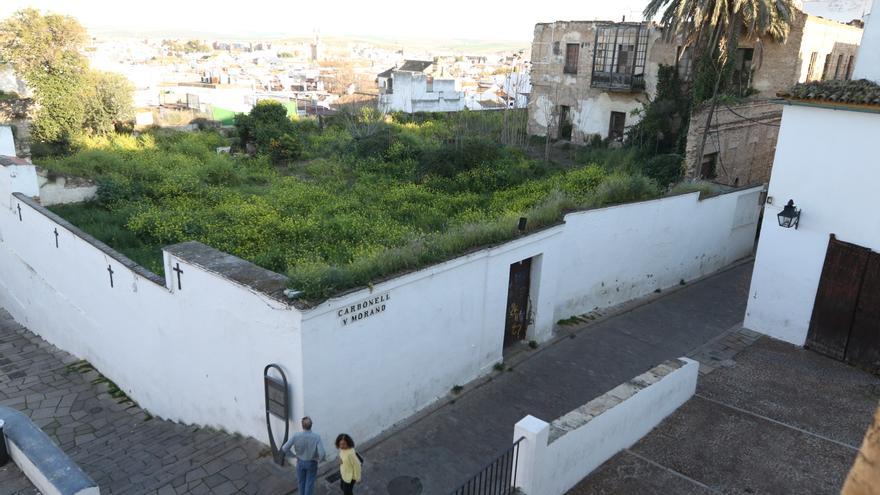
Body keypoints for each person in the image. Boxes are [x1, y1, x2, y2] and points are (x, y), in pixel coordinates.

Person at [281, 417, 326, 495]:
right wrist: (319, 460)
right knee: (309, 483)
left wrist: (293, 456)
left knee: (301, 482)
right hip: (312, 463)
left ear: (302, 425)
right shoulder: (316, 437)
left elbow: (284, 448)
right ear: (311, 425)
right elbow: (322, 454)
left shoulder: (296, 436)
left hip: (300, 462)